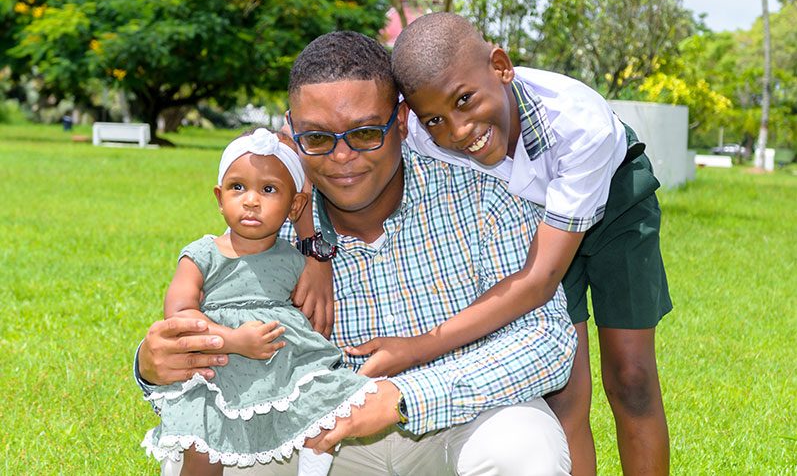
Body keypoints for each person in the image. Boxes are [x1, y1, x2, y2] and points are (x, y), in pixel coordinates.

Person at [135, 31, 576, 475]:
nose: (342, 156)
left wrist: (405, 398)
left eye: (365, 133)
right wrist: (152, 365)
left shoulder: (480, 196)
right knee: (210, 458)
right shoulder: (274, 223)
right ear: (293, 130)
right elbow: (216, 334)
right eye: (319, 138)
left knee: (524, 447)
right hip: (319, 442)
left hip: (455, 425)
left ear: (401, 121)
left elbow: (548, 339)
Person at [388, 12, 672, 475]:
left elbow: (539, 280)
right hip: (527, 222)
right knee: (564, 393)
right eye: (437, 118)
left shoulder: (580, 125)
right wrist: (311, 247)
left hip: (614, 199)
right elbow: (312, 143)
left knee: (632, 377)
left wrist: (416, 347)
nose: (458, 131)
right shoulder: (418, 131)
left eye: (465, 100)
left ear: (500, 66)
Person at [141, 128, 378, 476]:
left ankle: (312, 469)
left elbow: (310, 318)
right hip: (219, 367)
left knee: (328, 402)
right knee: (205, 446)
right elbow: (179, 313)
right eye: (238, 188)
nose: (251, 200)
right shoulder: (203, 254)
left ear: (294, 205)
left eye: (268, 190)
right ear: (220, 198)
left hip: (279, 368)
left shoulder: (296, 260)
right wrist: (233, 339)